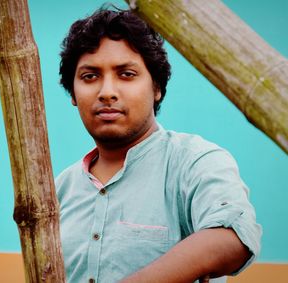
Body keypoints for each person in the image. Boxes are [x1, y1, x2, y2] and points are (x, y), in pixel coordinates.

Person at [55, 7, 261, 283]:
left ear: (156, 88)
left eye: (126, 74)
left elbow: (234, 237)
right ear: (73, 94)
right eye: (90, 76)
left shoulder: (195, 162)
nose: (107, 92)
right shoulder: (59, 190)